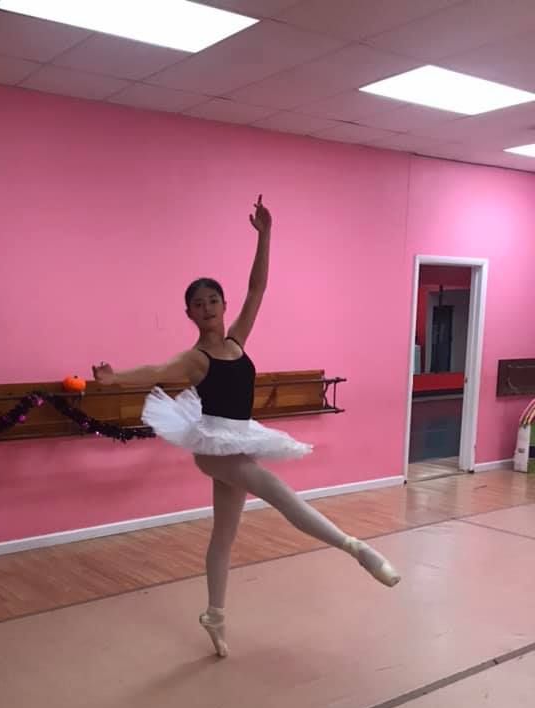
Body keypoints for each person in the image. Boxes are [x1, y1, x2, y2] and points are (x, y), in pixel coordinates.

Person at [93, 196, 400, 658]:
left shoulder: (237, 340)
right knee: (276, 490)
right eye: (198, 304)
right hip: (213, 445)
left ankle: (214, 616)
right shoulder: (195, 358)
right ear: (189, 314)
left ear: (223, 305)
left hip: (240, 436)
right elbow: (155, 369)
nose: (207, 308)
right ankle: (356, 549)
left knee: (224, 536)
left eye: (213, 300)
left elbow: (257, 288)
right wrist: (114, 378)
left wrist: (265, 235)